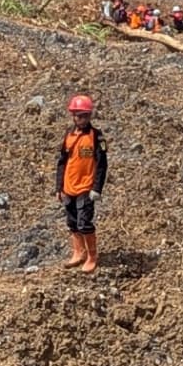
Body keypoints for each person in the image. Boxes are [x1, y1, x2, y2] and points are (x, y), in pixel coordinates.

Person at [56, 95, 108, 274]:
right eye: (79, 115)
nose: (82, 119)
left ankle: (92, 256)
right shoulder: (69, 134)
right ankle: (79, 252)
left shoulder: (96, 136)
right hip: (69, 186)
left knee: (84, 222)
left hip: (86, 187)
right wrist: (59, 187)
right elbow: (62, 162)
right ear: (73, 116)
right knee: (72, 222)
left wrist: (97, 188)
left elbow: (101, 164)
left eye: (85, 115)